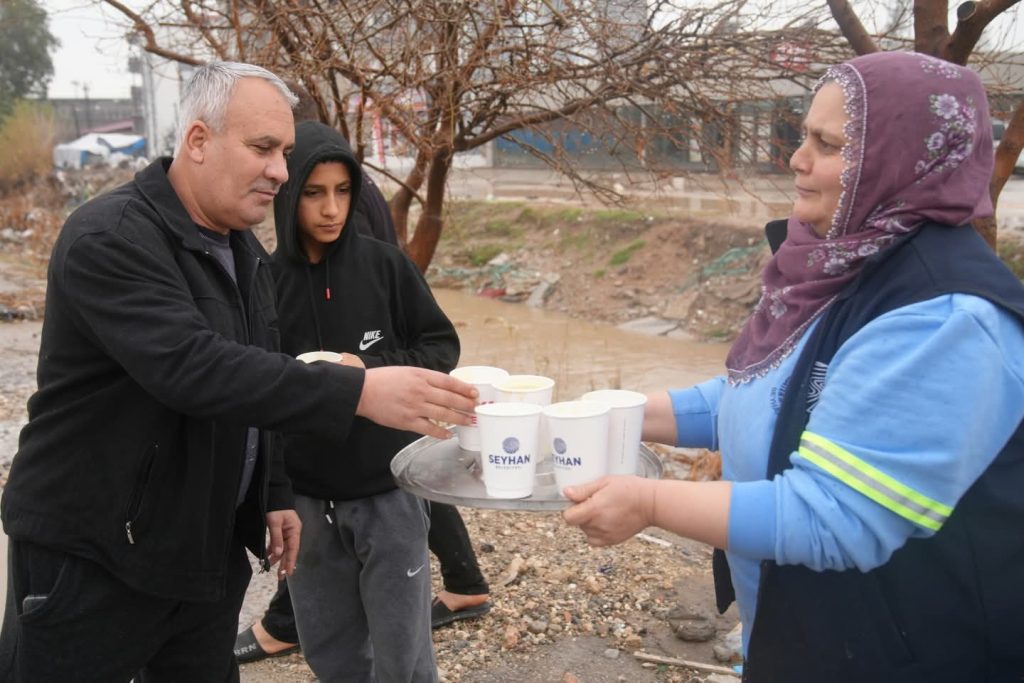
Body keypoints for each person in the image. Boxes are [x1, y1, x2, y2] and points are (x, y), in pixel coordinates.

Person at [0, 61, 476, 683]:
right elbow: (195, 368)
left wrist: (273, 495)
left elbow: (262, 375)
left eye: (282, 151)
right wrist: (357, 390)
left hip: (202, 550)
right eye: (262, 149)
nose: (280, 169)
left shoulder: (241, 248)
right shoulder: (111, 238)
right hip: (96, 554)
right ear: (198, 141)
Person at [563, 51, 1024, 682]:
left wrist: (647, 502)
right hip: (803, 631)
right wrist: (610, 413)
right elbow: (761, 396)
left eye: (827, 144)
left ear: (902, 162)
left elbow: (836, 514)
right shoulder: (842, 259)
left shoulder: (942, 317)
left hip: (900, 648)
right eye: (803, 134)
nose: (796, 158)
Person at [234, 116, 490, 665]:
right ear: (287, 196)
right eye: (314, 193)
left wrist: (365, 367)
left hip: (389, 492)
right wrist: (273, 495)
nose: (331, 209)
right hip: (304, 502)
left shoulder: (386, 266)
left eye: (343, 191)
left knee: (405, 655)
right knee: (331, 653)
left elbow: (439, 349)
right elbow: (255, 393)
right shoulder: (262, 281)